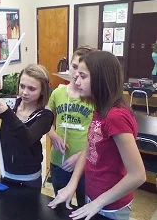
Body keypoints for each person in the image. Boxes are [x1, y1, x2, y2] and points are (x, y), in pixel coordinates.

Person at [48, 51, 146, 220]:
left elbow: (138, 175)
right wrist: (72, 184)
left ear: (101, 79)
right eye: (76, 75)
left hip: (111, 206)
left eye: (83, 76)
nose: (76, 81)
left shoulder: (115, 117)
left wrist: (97, 203)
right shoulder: (99, 107)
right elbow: (89, 146)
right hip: (93, 196)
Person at [0, 64, 54, 188]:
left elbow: (27, 138)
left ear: (42, 90)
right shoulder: (11, 104)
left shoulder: (45, 115)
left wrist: (6, 113)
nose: (25, 92)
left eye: (31, 89)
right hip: (5, 171)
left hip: (29, 178)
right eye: (22, 86)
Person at [47, 46, 95, 207]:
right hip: (58, 162)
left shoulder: (94, 98)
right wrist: (53, 135)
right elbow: (44, 121)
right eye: (74, 67)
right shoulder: (57, 94)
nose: (75, 74)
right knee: (60, 205)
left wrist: (81, 156)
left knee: (84, 206)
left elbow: (98, 136)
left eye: (82, 70)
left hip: (85, 165)